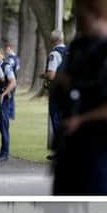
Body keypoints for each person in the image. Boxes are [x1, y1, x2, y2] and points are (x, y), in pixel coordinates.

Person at [51, 0, 107, 195]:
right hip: (71, 141)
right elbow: (63, 83)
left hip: (102, 139)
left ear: (97, 14)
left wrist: (82, 119)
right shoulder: (78, 48)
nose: (78, 22)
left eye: (81, 16)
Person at [41, 29, 66, 161]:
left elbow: (51, 75)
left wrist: (43, 75)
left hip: (57, 92)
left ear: (53, 40)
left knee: (56, 121)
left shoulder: (54, 54)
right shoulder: (70, 52)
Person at [0, 48, 17, 161]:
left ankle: (4, 152)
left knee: (3, 127)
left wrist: (4, 94)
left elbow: (13, 83)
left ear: (2, 56)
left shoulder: (6, 66)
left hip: (3, 101)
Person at [4, 42, 20, 121]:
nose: (6, 51)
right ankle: (11, 115)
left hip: (10, 81)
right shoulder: (17, 58)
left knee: (9, 98)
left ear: (10, 48)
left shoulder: (11, 59)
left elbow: (9, 68)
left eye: (7, 49)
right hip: (14, 79)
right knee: (12, 98)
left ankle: (10, 115)